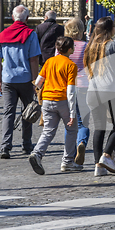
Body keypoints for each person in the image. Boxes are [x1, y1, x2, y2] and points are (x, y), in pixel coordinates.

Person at [0, 5, 41, 159]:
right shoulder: (30, 35)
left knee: (8, 112)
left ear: (13, 18)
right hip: (26, 78)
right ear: (26, 18)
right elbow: (34, 60)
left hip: (8, 79)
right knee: (27, 112)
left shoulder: (3, 34)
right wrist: (35, 81)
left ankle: (5, 147)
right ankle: (26, 145)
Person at [29, 37, 80, 175]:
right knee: (71, 130)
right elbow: (71, 91)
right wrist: (72, 113)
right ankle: (67, 161)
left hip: (47, 100)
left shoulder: (49, 62)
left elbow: (38, 82)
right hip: (62, 100)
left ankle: (37, 154)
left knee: (48, 131)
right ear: (69, 50)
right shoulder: (71, 65)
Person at [83, 16, 115, 177]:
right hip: (111, 89)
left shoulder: (90, 46)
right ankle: (107, 155)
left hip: (93, 90)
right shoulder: (114, 44)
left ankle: (98, 166)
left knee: (99, 127)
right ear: (110, 30)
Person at [63, 18, 90, 166]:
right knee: (83, 122)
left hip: (68, 87)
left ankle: (70, 154)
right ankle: (82, 142)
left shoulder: (60, 48)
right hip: (84, 86)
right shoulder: (86, 46)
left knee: (69, 122)